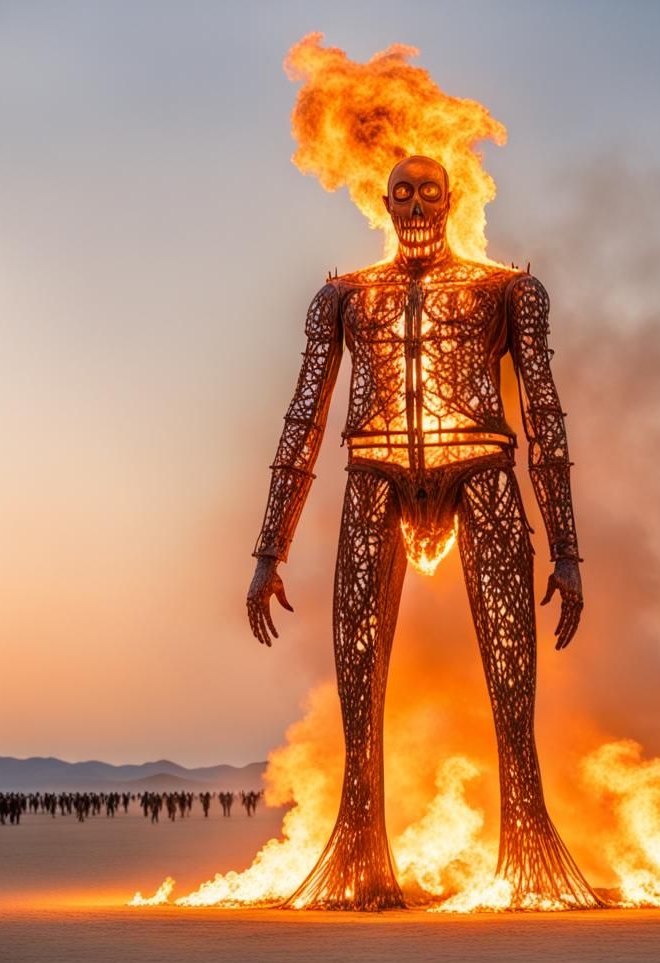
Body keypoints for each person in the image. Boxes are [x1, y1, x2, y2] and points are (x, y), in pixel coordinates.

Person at [246, 155, 593, 910]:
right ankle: (360, 853)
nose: (414, 206)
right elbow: (304, 422)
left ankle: (528, 842)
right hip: (371, 470)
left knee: (510, 675)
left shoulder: (506, 291)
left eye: (428, 193)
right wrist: (269, 549)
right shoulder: (343, 296)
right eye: (401, 194)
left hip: (480, 466)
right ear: (384, 202)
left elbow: (545, 420)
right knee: (359, 680)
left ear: (451, 200)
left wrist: (566, 550)